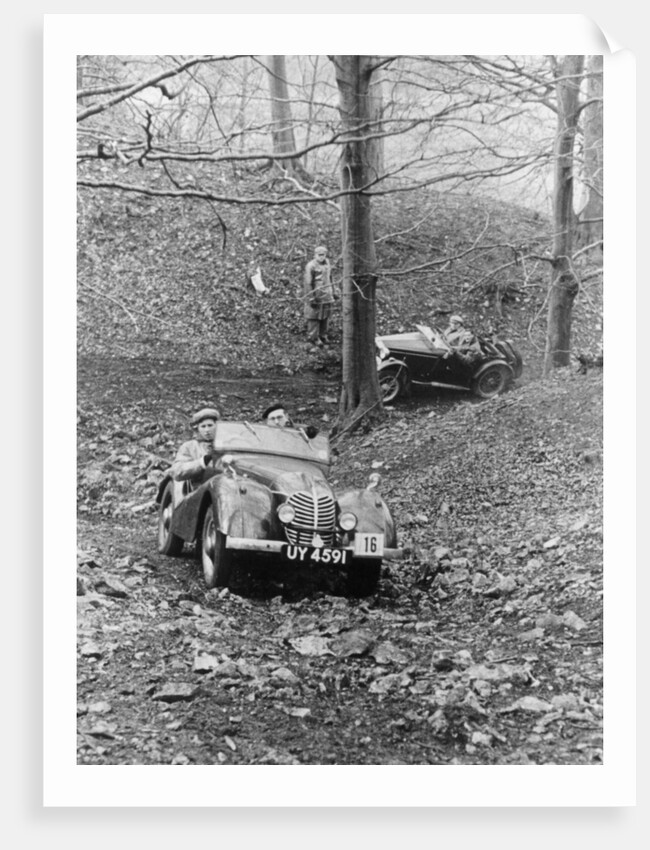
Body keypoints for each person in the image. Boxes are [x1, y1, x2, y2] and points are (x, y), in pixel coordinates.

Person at [170, 407, 221, 483]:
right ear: (198, 428)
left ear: (216, 425)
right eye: (203, 426)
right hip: (200, 490)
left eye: (210, 425)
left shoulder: (226, 444)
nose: (207, 430)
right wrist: (202, 462)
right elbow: (177, 472)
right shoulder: (189, 446)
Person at [303, 245, 339, 347]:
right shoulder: (311, 266)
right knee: (314, 317)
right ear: (315, 255)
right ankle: (313, 337)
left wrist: (334, 291)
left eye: (323, 255)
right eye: (319, 255)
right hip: (316, 295)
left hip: (327, 294)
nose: (321, 257)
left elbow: (331, 278)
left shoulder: (327, 264)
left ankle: (323, 335)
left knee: (325, 317)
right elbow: (308, 283)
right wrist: (311, 297)